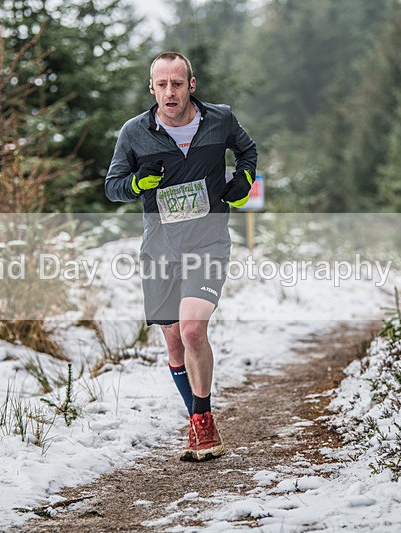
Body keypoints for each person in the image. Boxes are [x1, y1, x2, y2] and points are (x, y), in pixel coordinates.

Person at [105, 51, 258, 462]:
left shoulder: (220, 119)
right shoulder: (135, 132)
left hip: (208, 242)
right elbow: (112, 186)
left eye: (177, 83)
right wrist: (137, 183)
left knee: (192, 330)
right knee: (174, 342)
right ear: (151, 88)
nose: (169, 92)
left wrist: (243, 179)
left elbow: (248, 151)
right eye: (161, 85)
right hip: (160, 249)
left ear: (192, 85)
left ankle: (203, 421)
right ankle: (197, 421)